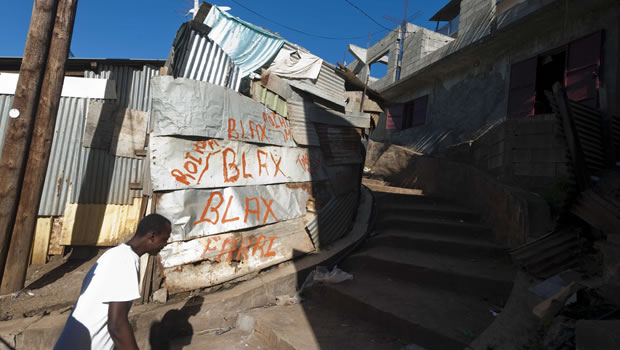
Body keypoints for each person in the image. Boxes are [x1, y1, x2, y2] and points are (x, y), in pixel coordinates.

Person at [54, 213, 172, 350]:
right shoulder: (126, 260)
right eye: (164, 239)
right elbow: (116, 325)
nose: (165, 245)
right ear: (152, 236)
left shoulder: (116, 254)